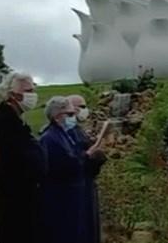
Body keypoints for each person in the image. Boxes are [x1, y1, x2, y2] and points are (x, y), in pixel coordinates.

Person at [0, 73, 46, 243]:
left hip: (23, 195)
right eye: (28, 91)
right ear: (12, 94)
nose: (33, 95)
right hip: (12, 199)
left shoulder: (16, 118)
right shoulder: (4, 121)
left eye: (33, 90)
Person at [40, 97, 87, 243]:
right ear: (58, 115)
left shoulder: (63, 134)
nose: (73, 118)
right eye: (70, 114)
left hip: (71, 195)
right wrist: (86, 157)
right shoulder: (50, 138)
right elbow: (65, 164)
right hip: (60, 198)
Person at [67, 94, 107, 243]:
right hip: (79, 187)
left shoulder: (78, 129)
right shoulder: (67, 131)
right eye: (81, 107)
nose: (84, 110)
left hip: (87, 184)